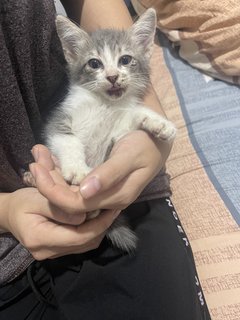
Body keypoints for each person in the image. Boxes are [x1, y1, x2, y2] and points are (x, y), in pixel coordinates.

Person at [0, 0, 211, 319]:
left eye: (124, 60)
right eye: (97, 64)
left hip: (123, 190)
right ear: (73, 55)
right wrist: (7, 211)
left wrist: (149, 128)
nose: (112, 74)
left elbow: (125, 120)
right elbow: (63, 132)